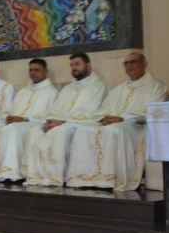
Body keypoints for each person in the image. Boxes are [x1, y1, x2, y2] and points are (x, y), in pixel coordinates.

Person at [66, 53, 168, 191]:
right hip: (114, 124)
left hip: (137, 126)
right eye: (126, 63)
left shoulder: (157, 86)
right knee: (84, 130)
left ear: (144, 64)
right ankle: (86, 179)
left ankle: (111, 180)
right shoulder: (118, 89)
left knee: (114, 130)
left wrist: (123, 118)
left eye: (133, 62)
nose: (129, 65)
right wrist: (105, 118)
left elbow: (155, 113)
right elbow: (104, 109)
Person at [23, 53, 109, 187]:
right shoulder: (67, 89)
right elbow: (55, 108)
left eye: (77, 64)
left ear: (88, 65)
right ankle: (38, 176)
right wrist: (50, 120)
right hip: (64, 122)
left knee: (58, 132)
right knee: (36, 131)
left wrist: (62, 122)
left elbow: (89, 111)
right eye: (72, 65)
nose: (74, 68)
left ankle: (57, 177)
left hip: (80, 124)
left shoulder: (99, 86)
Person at [0, 59, 59, 182]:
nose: (33, 73)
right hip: (16, 122)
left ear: (45, 71)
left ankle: (10, 173)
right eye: (30, 70)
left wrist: (25, 118)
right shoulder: (23, 91)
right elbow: (11, 109)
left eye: (36, 70)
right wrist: (9, 116)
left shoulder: (52, 92)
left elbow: (49, 116)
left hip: (32, 124)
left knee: (11, 130)